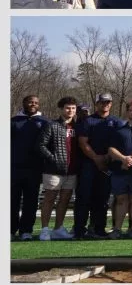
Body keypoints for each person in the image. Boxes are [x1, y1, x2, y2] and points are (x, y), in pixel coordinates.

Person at [74, 92, 122, 239]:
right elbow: (83, 142)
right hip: (89, 163)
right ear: (97, 104)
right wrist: (96, 158)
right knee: (84, 198)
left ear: (111, 104)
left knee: (102, 199)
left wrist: (107, 157)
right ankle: (79, 230)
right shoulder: (88, 121)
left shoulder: (117, 122)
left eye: (108, 102)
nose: (105, 105)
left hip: (108, 164)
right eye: (102, 102)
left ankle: (99, 229)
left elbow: (120, 143)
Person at [36, 97, 81, 241]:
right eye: (68, 108)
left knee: (65, 200)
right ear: (61, 109)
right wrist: (53, 159)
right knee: (49, 198)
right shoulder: (51, 125)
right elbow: (40, 145)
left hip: (72, 170)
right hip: (53, 170)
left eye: (73, 108)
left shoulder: (78, 126)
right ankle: (44, 230)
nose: (71, 111)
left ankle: (58, 228)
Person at [12, 95, 48, 241]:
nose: (33, 104)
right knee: (12, 201)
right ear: (24, 103)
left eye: (36, 103)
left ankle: (26, 231)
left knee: (31, 201)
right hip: (13, 168)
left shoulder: (45, 122)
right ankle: (10, 230)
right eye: (30, 102)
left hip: (34, 169)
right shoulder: (13, 122)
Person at [107, 100, 132, 240]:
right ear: (127, 112)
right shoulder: (119, 131)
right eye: (131, 110)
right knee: (120, 199)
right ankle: (117, 229)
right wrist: (123, 159)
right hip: (120, 171)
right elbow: (111, 149)